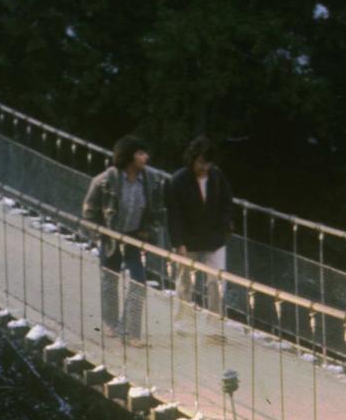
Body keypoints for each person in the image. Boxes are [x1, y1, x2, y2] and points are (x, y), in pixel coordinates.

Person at [82, 135, 158, 346]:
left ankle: (131, 332)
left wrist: (148, 231)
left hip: (134, 236)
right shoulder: (106, 180)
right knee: (110, 280)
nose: (146, 157)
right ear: (129, 156)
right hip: (110, 236)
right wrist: (99, 234)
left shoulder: (150, 180)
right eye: (141, 153)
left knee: (138, 281)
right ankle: (110, 323)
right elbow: (89, 210)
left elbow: (156, 211)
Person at [165, 134, 235, 328]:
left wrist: (223, 224)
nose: (204, 167)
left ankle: (215, 326)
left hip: (214, 239)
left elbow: (228, 202)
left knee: (216, 282)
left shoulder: (216, 176)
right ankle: (182, 323)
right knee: (185, 281)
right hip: (189, 240)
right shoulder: (178, 180)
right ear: (192, 159)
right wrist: (178, 243)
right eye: (201, 162)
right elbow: (174, 215)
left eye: (208, 163)